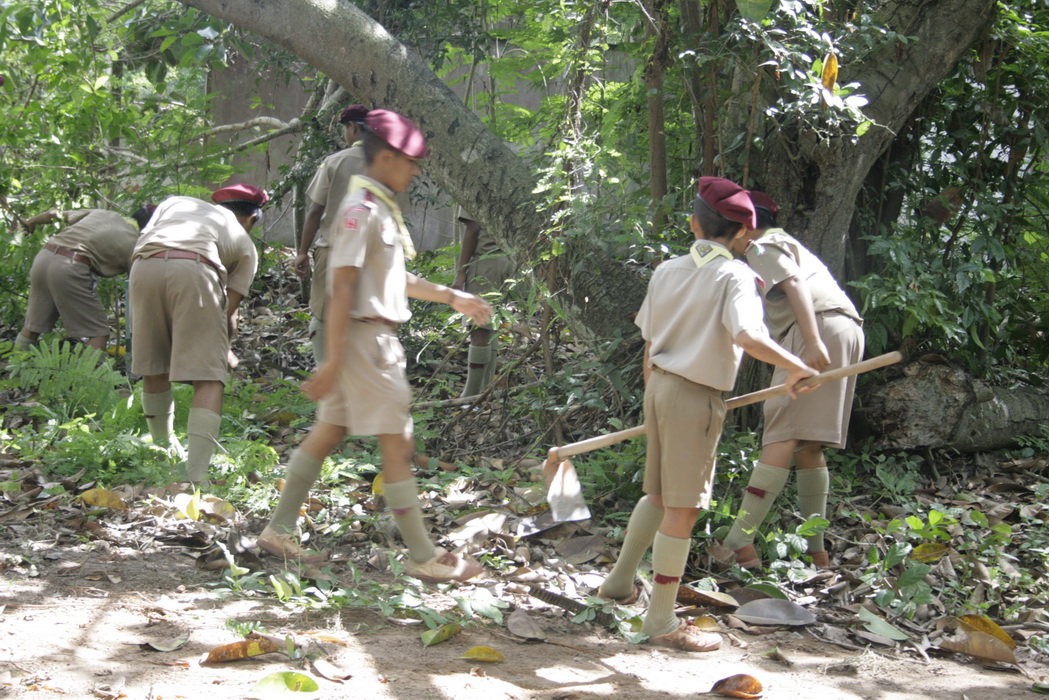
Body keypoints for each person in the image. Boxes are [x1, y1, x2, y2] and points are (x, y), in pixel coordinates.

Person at [257, 109, 492, 583]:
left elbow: (390, 278)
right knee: (398, 441)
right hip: (365, 342)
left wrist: (451, 296)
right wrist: (333, 359)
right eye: (411, 162)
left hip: (364, 338)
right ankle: (423, 554)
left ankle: (278, 530)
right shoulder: (359, 210)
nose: (416, 171)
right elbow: (341, 286)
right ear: (386, 158)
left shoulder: (376, 207)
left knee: (329, 431)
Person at [596, 177, 818, 652]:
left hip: (659, 386)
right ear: (744, 233)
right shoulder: (735, 275)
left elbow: (649, 344)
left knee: (659, 494)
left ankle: (618, 584)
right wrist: (797, 365)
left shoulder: (666, 270)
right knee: (684, 507)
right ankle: (660, 621)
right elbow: (748, 336)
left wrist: (656, 396)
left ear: (694, 224)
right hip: (694, 396)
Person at [719, 191, 864, 570]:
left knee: (781, 432)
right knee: (808, 445)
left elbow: (794, 283)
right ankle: (818, 552)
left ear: (744, 227)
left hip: (817, 328)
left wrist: (812, 341)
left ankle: (738, 542)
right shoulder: (782, 241)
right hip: (845, 327)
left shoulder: (760, 246)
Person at [129, 184, 268, 485]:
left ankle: (162, 454)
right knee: (209, 378)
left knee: (154, 367)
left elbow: (146, 236)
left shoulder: (176, 202)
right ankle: (196, 478)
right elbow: (227, 312)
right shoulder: (246, 245)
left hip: (143, 267)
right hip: (197, 271)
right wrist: (223, 350)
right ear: (252, 219)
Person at [15, 205, 156, 353]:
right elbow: (139, 283)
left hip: (44, 257)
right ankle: (93, 368)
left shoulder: (102, 213)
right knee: (98, 332)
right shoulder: (136, 243)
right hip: (70, 267)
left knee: (33, 327)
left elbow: (54, 214)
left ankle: (15, 363)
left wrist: (30, 221)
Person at [295, 104, 370, 364]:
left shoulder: (335, 162)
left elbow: (315, 210)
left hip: (334, 252)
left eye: (345, 129)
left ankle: (325, 372)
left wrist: (302, 252)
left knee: (323, 314)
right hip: (372, 256)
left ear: (353, 127)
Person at [452, 211, 514, 397]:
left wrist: (461, 272)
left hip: (486, 262)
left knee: (478, 327)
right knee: (490, 326)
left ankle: (470, 396)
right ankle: (486, 390)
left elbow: (473, 227)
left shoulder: (472, 191)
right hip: (507, 261)